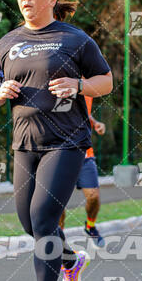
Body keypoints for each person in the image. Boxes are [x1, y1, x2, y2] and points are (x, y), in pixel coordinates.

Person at [0, 0, 112, 281]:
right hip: (24, 143)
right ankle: (70, 259)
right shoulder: (6, 42)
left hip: (66, 142)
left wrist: (78, 86)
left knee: (43, 218)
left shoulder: (75, 39)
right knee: (29, 223)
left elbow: (105, 81)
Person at [59, 95, 106, 247]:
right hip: (60, 154)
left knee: (93, 196)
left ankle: (90, 226)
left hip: (85, 153)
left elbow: (85, 113)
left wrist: (95, 123)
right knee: (58, 201)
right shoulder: (58, 84)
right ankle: (59, 237)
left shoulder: (87, 88)